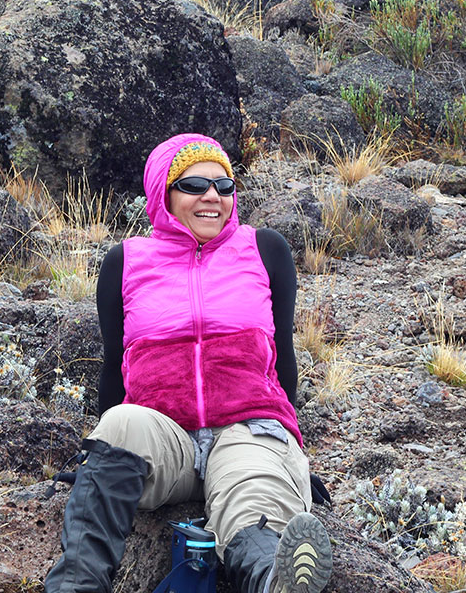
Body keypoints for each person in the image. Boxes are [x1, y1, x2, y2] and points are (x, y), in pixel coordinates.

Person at [44, 133, 332, 593]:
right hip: (166, 438)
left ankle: (271, 582)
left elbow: (284, 360)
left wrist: (291, 451)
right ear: (164, 191)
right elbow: (114, 366)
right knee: (119, 424)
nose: (212, 196)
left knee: (253, 496)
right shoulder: (125, 263)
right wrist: (97, 457)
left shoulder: (265, 249)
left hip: (246, 428)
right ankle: (75, 586)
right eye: (195, 184)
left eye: (224, 185)